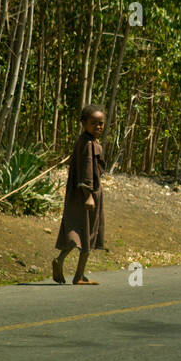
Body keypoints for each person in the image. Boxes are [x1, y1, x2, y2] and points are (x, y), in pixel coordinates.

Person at [53, 105, 107, 285]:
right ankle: (71, 269)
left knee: (79, 230)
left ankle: (78, 275)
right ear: (84, 123)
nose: (98, 127)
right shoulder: (88, 144)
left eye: (101, 123)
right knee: (87, 232)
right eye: (94, 123)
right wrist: (89, 196)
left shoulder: (87, 141)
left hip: (82, 194)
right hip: (86, 195)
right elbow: (86, 172)